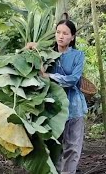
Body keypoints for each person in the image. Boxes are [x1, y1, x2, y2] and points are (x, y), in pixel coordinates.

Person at [27, 19, 88, 174]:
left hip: (74, 107)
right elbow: (31, 67)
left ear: (72, 37)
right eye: (58, 32)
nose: (61, 36)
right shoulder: (47, 54)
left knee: (73, 147)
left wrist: (49, 76)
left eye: (65, 33)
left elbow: (73, 79)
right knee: (55, 147)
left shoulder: (78, 55)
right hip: (52, 107)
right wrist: (31, 49)